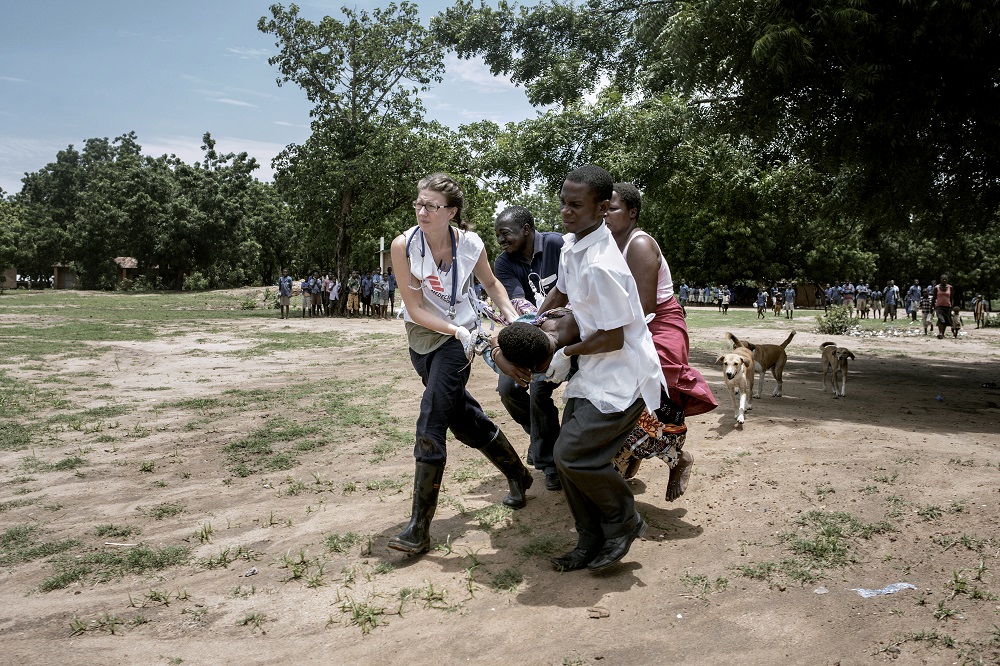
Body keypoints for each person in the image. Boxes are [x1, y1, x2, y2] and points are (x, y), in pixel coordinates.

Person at [388, 172, 529, 556]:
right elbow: (415, 309)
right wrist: (454, 329)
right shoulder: (404, 245)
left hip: (457, 341)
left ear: (451, 211)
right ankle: (518, 475)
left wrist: (509, 317)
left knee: (432, 416)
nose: (422, 211)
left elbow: (493, 285)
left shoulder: (469, 244)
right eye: (418, 203)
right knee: (462, 418)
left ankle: (418, 528)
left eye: (431, 206)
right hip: (423, 337)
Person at [534, 166, 665, 572]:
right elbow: (563, 290)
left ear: (603, 206)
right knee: (564, 458)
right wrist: (533, 326)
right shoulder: (576, 246)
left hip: (621, 376)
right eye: (563, 203)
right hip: (593, 370)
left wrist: (564, 351)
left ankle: (624, 521)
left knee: (573, 455)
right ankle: (589, 538)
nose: (565, 213)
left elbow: (613, 337)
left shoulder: (603, 264)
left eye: (576, 205)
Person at [604, 181, 717, 500]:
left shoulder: (639, 244)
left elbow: (644, 307)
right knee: (618, 402)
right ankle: (630, 456)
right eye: (602, 209)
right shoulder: (606, 247)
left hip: (660, 329)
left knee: (650, 404)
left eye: (612, 209)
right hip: (632, 328)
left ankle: (677, 458)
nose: (605, 215)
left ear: (632, 212)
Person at [491, 205, 565, 491]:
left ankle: (548, 463)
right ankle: (544, 443)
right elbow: (517, 305)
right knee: (508, 389)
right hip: (529, 330)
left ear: (526, 229)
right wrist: (531, 325)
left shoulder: (557, 244)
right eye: (497, 236)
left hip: (565, 332)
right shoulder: (504, 263)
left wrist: (540, 322)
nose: (501, 240)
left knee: (539, 389)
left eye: (505, 233)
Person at [932, 274, 954, 339]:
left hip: (947, 306)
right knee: (941, 319)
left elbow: (951, 298)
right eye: (943, 279)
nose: (944, 280)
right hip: (939, 306)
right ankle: (940, 333)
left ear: (947, 280)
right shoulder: (937, 288)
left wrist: (952, 306)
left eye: (945, 279)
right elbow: (934, 298)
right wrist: (932, 307)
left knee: (946, 321)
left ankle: (943, 333)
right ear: (940, 280)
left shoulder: (950, 287)